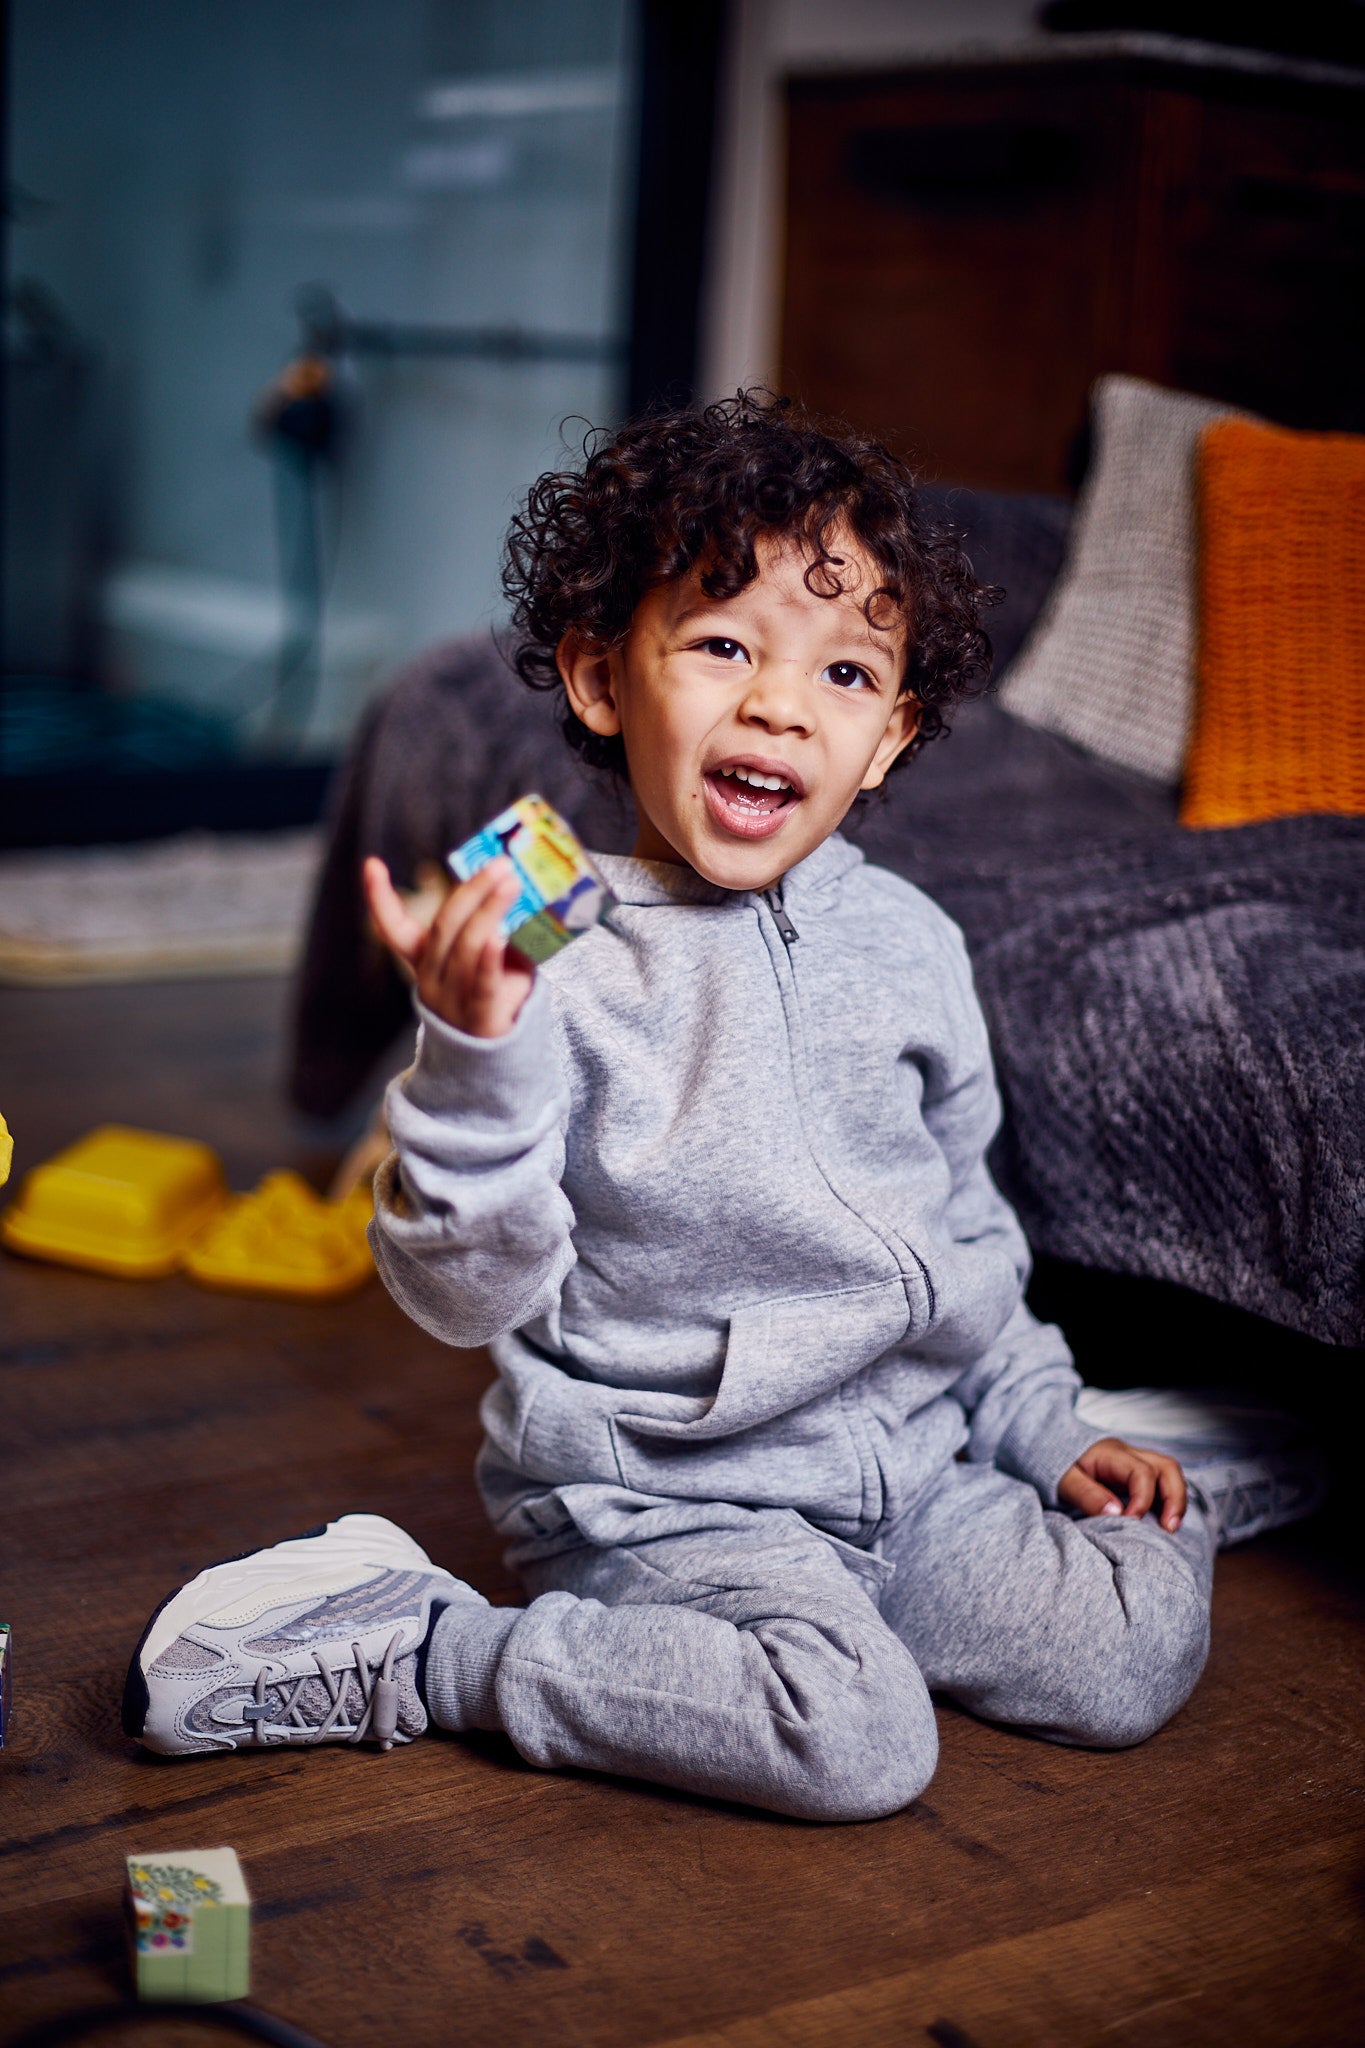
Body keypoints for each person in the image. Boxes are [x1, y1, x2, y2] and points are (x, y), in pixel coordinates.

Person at [123, 394, 1307, 1818]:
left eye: (845, 675)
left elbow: (970, 1241)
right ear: (599, 679)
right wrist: (473, 1049)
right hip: (668, 1503)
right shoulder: (548, 961)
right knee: (852, 1742)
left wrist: (1046, 1426)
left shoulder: (915, 943)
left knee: (1125, 1656)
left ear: (888, 736)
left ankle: (1154, 1448)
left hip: (911, 1474)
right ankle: (424, 1646)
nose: (778, 703)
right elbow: (456, 1287)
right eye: (724, 644)